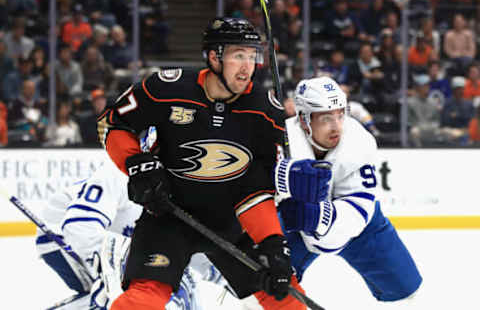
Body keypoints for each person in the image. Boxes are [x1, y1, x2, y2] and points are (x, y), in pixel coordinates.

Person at [98, 17, 305, 310]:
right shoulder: (166, 88)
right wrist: (136, 163)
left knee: (287, 297)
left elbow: (257, 189)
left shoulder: (265, 111)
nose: (248, 66)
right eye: (238, 56)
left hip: (233, 222)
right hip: (170, 215)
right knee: (143, 299)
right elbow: (111, 124)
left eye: (252, 56)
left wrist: (273, 243)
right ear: (213, 57)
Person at [273, 76, 423, 303]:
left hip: (359, 228)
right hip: (294, 225)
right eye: (325, 118)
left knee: (406, 291)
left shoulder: (359, 142)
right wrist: (281, 178)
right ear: (303, 120)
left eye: (340, 114)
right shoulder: (281, 139)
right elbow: (251, 187)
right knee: (262, 287)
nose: (337, 126)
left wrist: (318, 217)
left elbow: (357, 211)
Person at [35, 154, 211, 310]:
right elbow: (79, 227)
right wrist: (115, 271)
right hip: (60, 233)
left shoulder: (186, 193)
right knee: (112, 293)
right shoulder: (120, 173)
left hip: (115, 241)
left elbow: (194, 256)